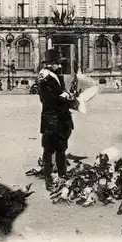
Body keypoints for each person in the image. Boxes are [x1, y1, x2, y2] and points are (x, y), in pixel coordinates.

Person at [36, 49, 78, 190]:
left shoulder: (54, 76)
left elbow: (59, 93)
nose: (60, 66)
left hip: (60, 118)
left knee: (61, 148)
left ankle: (62, 173)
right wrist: (67, 100)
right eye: (57, 63)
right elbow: (48, 99)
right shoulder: (45, 78)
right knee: (48, 150)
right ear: (50, 64)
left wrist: (67, 96)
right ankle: (48, 178)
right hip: (51, 119)